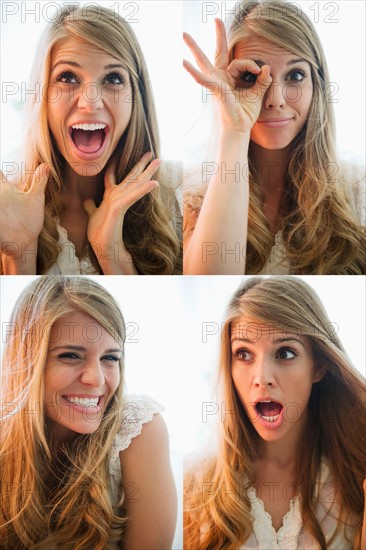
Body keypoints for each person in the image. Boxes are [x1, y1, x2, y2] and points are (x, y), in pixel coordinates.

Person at [183, 0, 365, 274]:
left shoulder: (358, 192)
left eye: (295, 75)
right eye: (250, 77)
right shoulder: (188, 201)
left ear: (317, 86)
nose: (275, 100)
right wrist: (235, 131)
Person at [184, 276, 366, 548]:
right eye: (244, 354)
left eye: (285, 353)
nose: (262, 378)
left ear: (318, 367)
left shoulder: (356, 477)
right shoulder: (194, 483)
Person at [0, 4, 182, 275]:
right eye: (68, 77)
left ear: (137, 97)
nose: (90, 102)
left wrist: (112, 253)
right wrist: (20, 252)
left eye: (113, 78)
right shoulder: (8, 208)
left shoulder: (179, 193)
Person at [0, 276, 177, 549]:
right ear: (27, 361)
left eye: (110, 358)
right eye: (71, 356)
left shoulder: (138, 429)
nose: (96, 380)